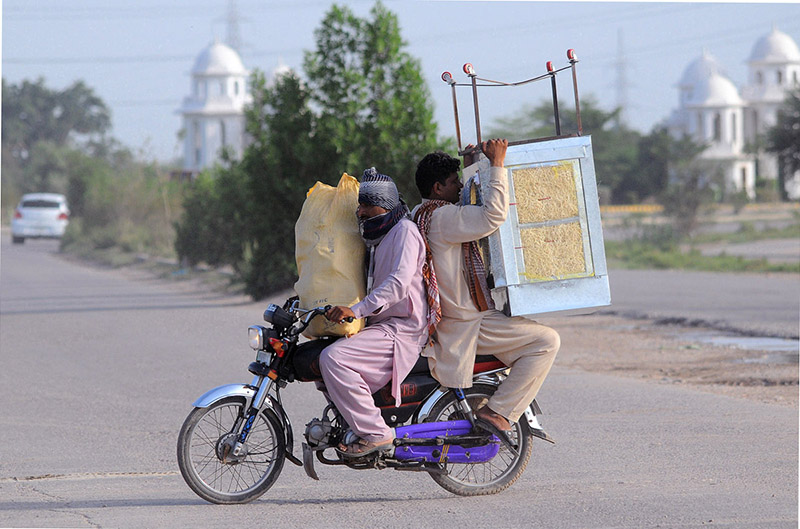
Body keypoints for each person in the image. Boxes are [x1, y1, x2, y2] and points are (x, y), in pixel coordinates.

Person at [412, 139, 560, 434]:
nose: (458, 189)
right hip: (469, 324)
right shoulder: (442, 217)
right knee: (546, 342)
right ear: (437, 189)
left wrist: (471, 170)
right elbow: (491, 216)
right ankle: (499, 412)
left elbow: (469, 210)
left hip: (457, 320)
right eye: (454, 183)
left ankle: (485, 407)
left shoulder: (423, 213)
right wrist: (497, 165)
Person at [319, 167, 429, 457]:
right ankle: (354, 421)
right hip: (384, 325)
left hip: (403, 328)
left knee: (334, 359)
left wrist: (355, 310)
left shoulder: (405, 232)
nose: (361, 211)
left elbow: (398, 285)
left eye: (368, 204)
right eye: (360, 204)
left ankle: (377, 433)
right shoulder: (378, 239)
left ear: (387, 205)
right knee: (319, 360)